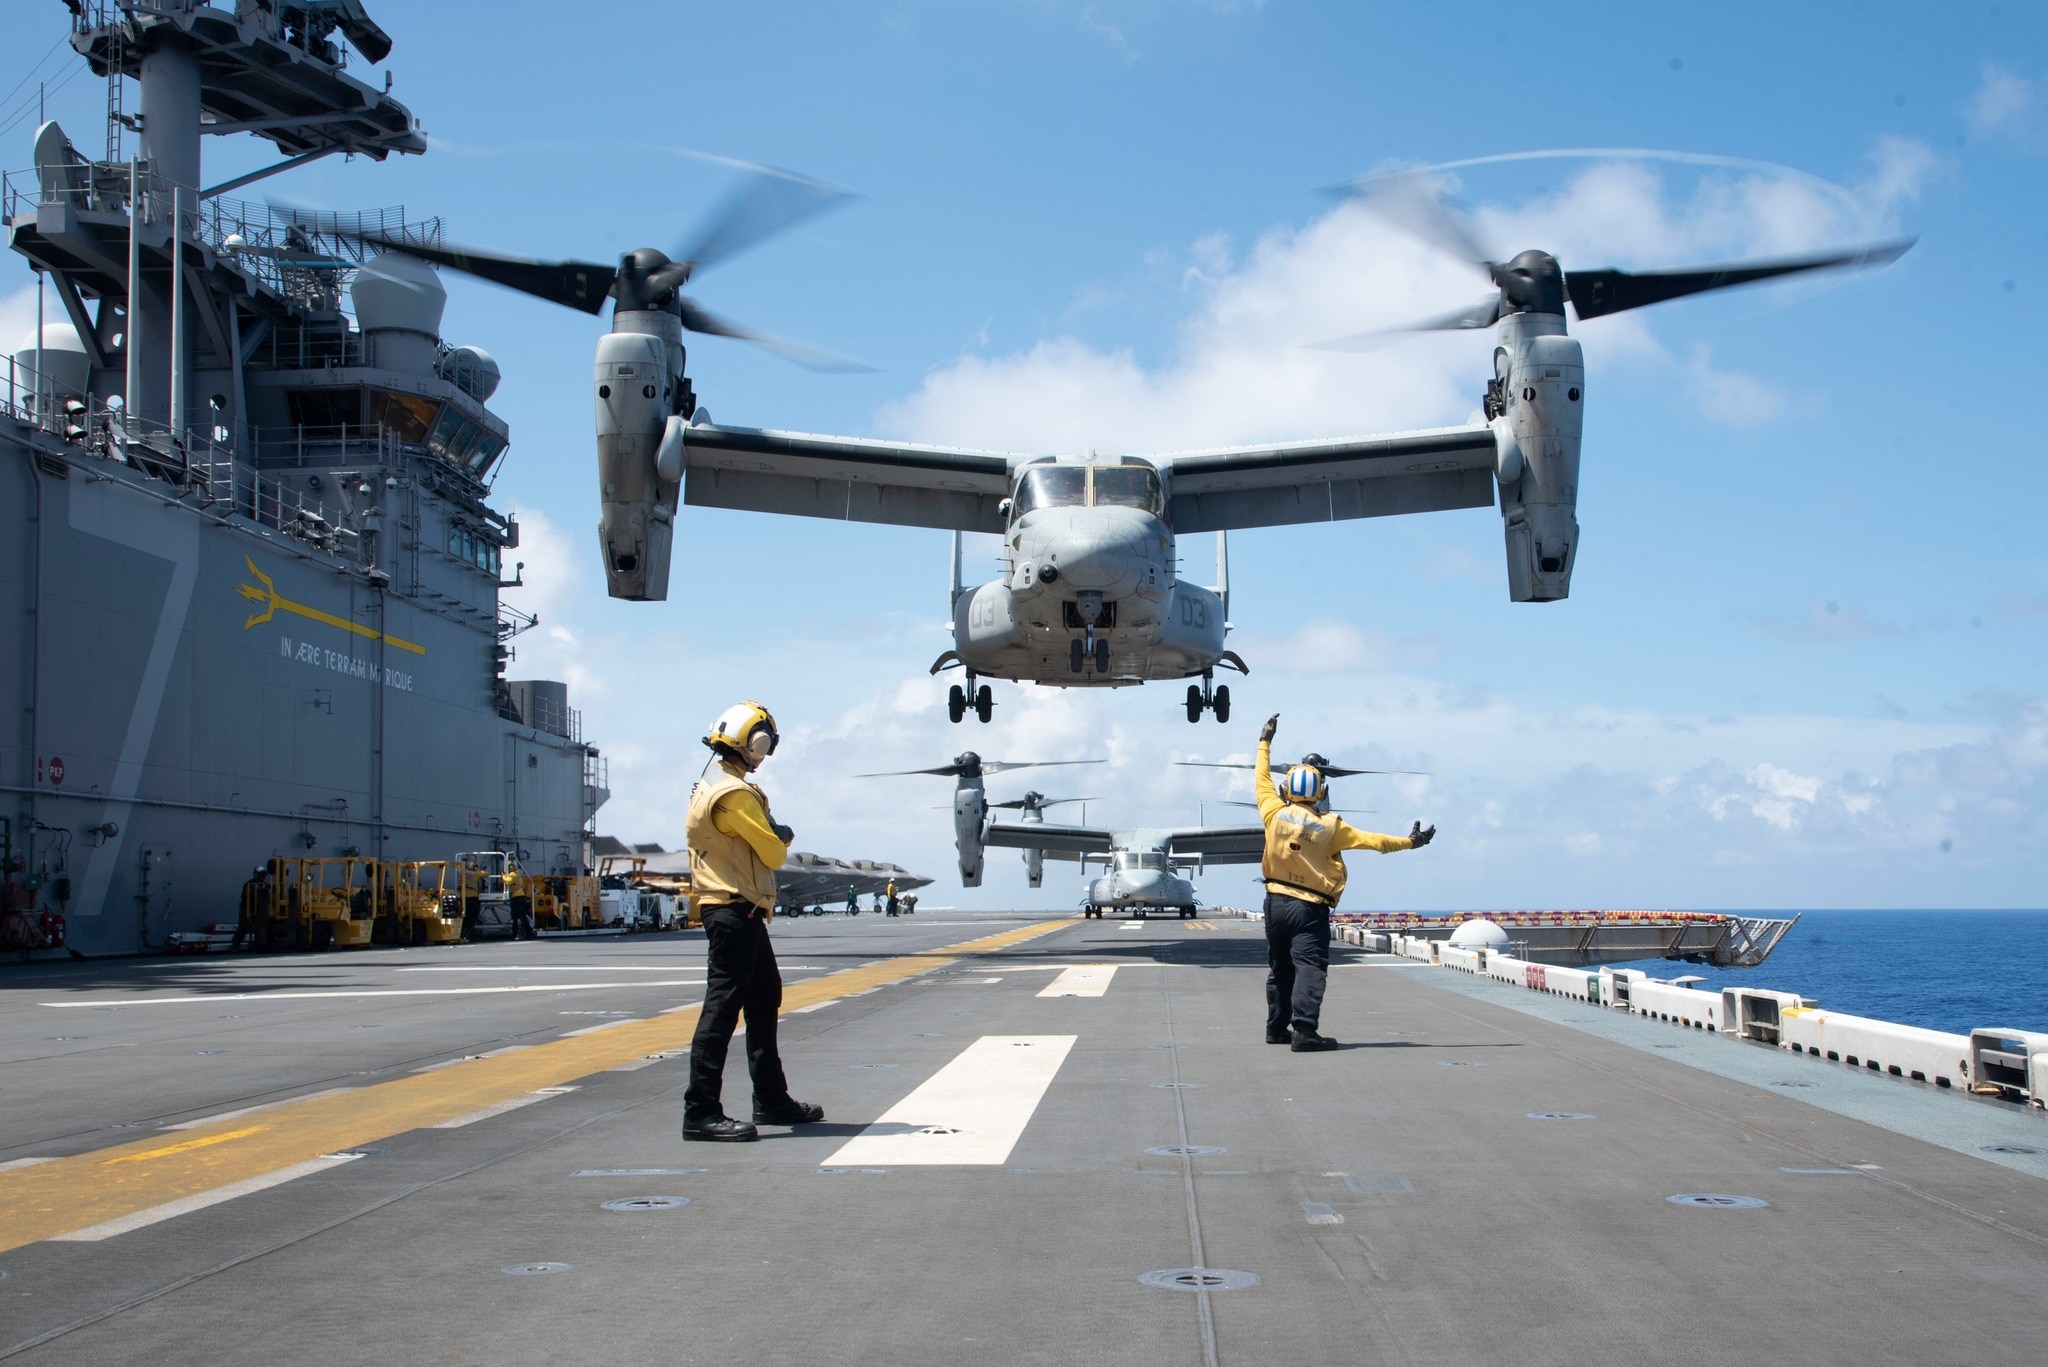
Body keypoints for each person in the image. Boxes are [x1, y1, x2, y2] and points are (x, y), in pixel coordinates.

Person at [682, 701, 824, 1143]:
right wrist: (779, 834)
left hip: (739, 910)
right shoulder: (736, 795)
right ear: (754, 743)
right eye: (766, 744)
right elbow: (775, 854)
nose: (766, 753)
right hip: (732, 909)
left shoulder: (714, 784)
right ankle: (701, 1112)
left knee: (763, 999)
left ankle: (771, 1098)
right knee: (722, 1010)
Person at [1254, 713, 1434, 1052]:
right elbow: (1377, 842)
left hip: (1274, 903)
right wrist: (1412, 842)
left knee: (1280, 968)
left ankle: (1276, 1028)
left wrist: (1265, 741)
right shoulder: (1332, 827)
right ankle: (1304, 1031)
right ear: (1321, 790)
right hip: (1309, 908)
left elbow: (1260, 776)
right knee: (1310, 966)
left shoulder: (1272, 811)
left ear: (1286, 788)